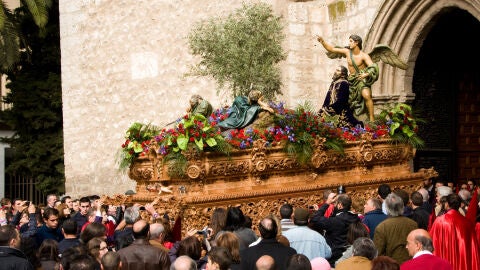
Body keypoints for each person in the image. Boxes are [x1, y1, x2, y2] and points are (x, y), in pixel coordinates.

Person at [316, 35, 378, 122]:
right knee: (347, 100)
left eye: (351, 41)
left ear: (356, 43)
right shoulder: (347, 52)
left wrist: (366, 74)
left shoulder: (364, 56)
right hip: (351, 80)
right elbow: (332, 49)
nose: (349, 43)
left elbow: (373, 67)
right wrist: (322, 41)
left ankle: (372, 119)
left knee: (367, 95)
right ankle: (345, 118)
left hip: (361, 79)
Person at [430, 193, 479, 270]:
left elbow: (432, 243)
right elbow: (472, 249)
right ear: (459, 205)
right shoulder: (468, 223)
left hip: (444, 263)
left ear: (447, 204)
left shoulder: (440, 221)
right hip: (463, 264)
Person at [310, 194, 360, 266]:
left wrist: (327, 203)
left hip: (335, 258)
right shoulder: (355, 218)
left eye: (334, 204)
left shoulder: (336, 221)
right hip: (351, 255)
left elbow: (315, 219)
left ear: (339, 205)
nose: (333, 206)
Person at [373, 193, 417, 264]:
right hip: (411, 264)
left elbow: (378, 253)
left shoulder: (382, 227)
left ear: (387, 208)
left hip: (392, 266)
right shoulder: (413, 224)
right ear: (402, 207)